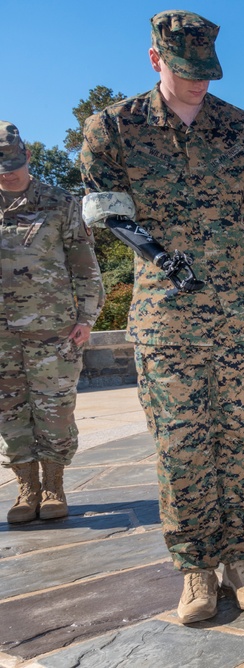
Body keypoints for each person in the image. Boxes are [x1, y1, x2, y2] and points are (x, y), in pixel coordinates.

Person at [79, 11, 244, 624]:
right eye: (184, 71)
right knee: (181, 445)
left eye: (207, 74)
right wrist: (165, 259)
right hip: (167, 316)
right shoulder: (113, 128)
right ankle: (196, 569)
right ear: (155, 59)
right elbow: (108, 214)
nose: (198, 84)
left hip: (242, 311)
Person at [0, 121, 105, 524]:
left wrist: (87, 317)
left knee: (55, 410)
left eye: (12, 162)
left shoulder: (60, 203)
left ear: (27, 155)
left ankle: (53, 485)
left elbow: (84, 266)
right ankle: (26, 488)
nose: (7, 171)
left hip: (53, 330)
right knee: (9, 412)